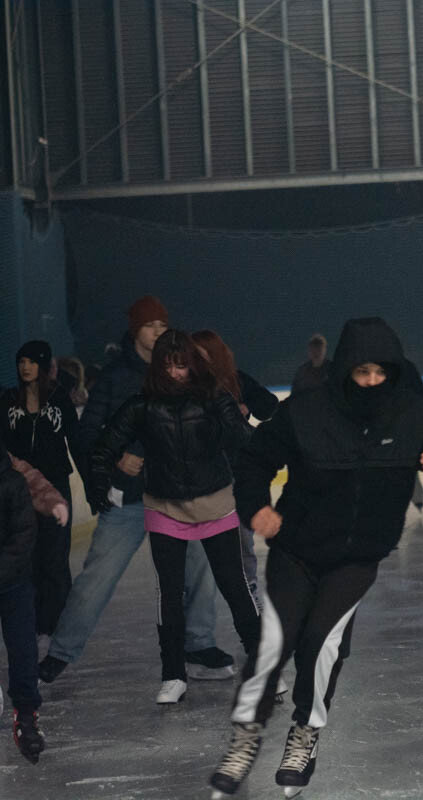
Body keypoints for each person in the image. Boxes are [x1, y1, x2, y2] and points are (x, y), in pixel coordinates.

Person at [209, 317, 423, 799]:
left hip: (357, 557)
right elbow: (253, 459)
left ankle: (305, 734)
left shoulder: (412, 413)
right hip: (297, 549)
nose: (373, 382)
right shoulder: (306, 411)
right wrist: (256, 508)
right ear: (345, 369)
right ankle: (246, 736)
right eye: (362, 372)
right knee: (276, 640)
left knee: (322, 640)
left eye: (381, 373)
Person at [41, 296, 234, 685]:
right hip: (128, 498)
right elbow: (85, 434)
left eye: (163, 324)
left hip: (180, 498)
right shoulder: (114, 378)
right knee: (98, 576)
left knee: (201, 570)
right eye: (150, 325)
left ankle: (198, 644)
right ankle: (61, 652)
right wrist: (113, 463)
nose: (158, 331)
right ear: (136, 332)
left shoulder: (183, 373)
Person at [85, 330, 260, 704]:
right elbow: (104, 445)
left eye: (182, 366)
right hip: (165, 507)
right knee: (170, 593)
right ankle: (173, 675)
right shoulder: (141, 406)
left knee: (235, 587)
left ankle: (263, 669)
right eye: (168, 366)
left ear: (193, 366)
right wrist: (99, 485)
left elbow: (247, 439)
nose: (175, 374)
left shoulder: (215, 399)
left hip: (214, 503)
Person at [193, 329, 279, 609]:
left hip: (237, 472)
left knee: (242, 544)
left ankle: (250, 595)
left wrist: (245, 410)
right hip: (202, 477)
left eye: (202, 353)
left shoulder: (237, 380)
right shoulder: (188, 386)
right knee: (201, 551)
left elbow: (270, 407)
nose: (197, 359)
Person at [2, 341, 78, 647]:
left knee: (55, 557)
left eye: (32, 361)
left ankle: (57, 621)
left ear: (44, 365)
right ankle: (33, 622)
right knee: (28, 558)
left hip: (56, 486)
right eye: (21, 361)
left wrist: (98, 488)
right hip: (19, 490)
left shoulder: (59, 399)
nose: (25, 367)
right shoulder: (8, 400)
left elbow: (78, 442)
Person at [1, 438, 69, 763]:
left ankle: (26, 713)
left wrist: (53, 502)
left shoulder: (11, 473)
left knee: (23, 647)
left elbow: (34, 486)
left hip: (12, 579)